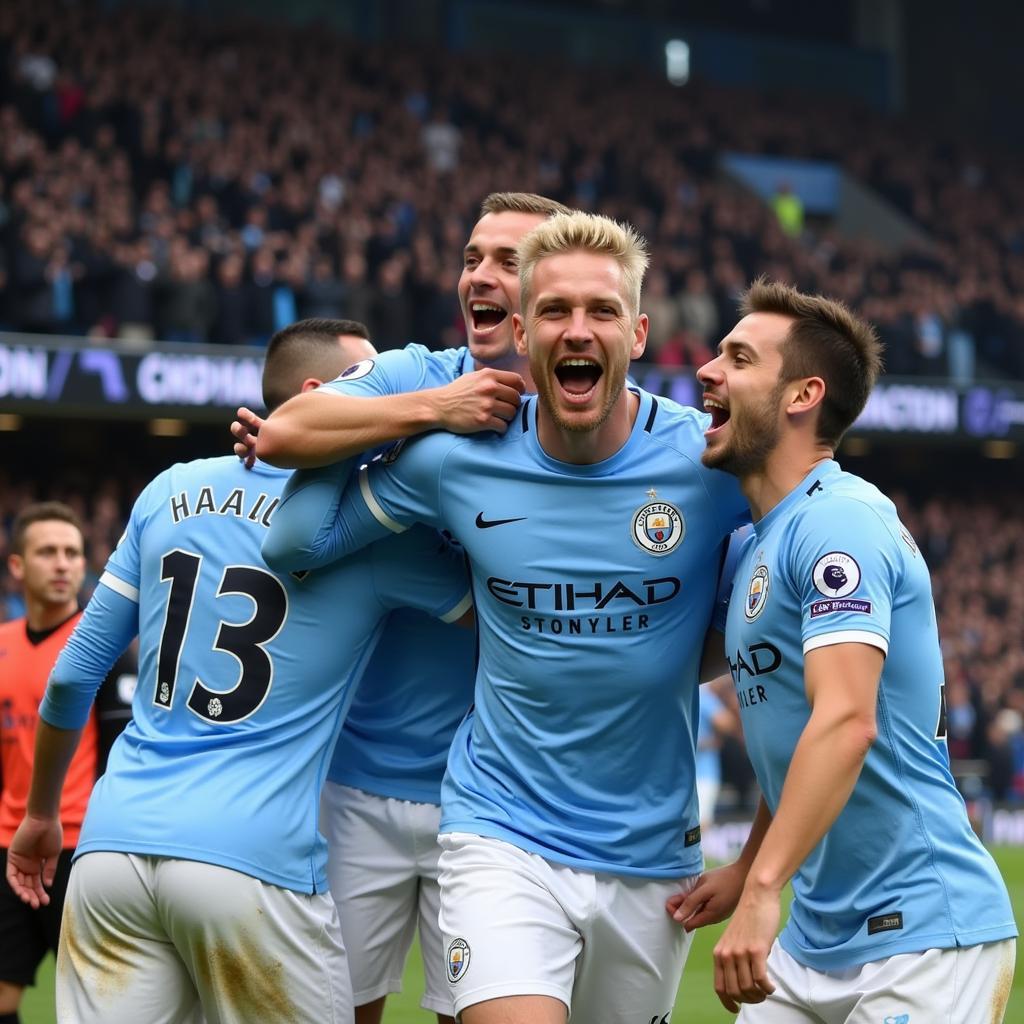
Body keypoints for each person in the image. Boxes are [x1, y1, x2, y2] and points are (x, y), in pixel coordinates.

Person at [263, 211, 751, 1024]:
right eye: (555, 312)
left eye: (600, 312)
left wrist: (690, 651)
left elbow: (807, 534)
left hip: (650, 849)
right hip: (500, 828)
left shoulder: (707, 462)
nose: (578, 329)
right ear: (521, 334)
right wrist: (447, 587)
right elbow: (300, 537)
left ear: (636, 331)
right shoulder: (460, 452)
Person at [5, 320, 473, 1024]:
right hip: (252, 861)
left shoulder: (168, 491)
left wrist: (41, 814)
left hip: (111, 851)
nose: (391, 393)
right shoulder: (372, 529)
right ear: (323, 394)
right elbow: (512, 617)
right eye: (374, 380)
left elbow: (73, 678)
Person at [235, 192, 570, 1024]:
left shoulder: (593, 427)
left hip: (498, 794)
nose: (481, 276)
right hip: (359, 785)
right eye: (471, 258)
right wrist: (436, 411)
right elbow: (286, 429)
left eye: (508, 261)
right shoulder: (422, 371)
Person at [668, 279, 1017, 1021]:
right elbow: (795, 740)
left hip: (922, 936)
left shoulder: (842, 522)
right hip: (817, 940)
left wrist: (763, 890)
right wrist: (751, 866)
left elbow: (847, 722)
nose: (707, 371)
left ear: (802, 395)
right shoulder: (762, 542)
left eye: (738, 357)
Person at [0, 502, 134, 1024]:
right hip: (9, 846)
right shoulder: (3, 647)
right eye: (48, 552)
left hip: (82, 852)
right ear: (17, 566)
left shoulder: (108, 651)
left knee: (95, 1007)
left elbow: (122, 753)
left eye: (73, 554)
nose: (63, 564)